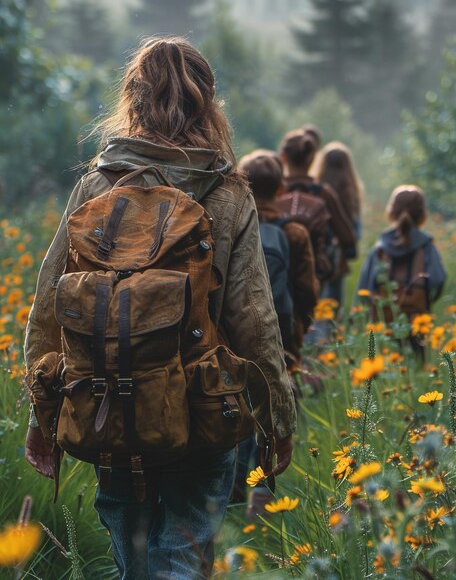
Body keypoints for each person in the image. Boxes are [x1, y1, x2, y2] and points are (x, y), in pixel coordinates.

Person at [23, 37, 296, 580]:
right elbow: (255, 322)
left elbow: (50, 309)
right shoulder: (228, 194)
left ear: (134, 98)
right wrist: (277, 421)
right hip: (202, 408)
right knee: (185, 553)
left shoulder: (95, 187)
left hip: (106, 405)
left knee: (135, 557)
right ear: (208, 101)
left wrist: (43, 416)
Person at [236, 150, 318, 513]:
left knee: (239, 402)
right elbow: (306, 292)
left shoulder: (234, 226)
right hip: (283, 336)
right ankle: (263, 490)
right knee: (275, 405)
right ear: (282, 187)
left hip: (237, 335)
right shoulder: (295, 233)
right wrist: (297, 334)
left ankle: (234, 488)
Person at [278, 129, 356, 316]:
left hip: (278, 269)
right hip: (314, 273)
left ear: (283, 157)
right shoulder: (323, 192)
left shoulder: (276, 189)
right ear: (313, 158)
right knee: (310, 321)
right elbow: (347, 237)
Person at [357, 184, 446, 328]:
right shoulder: (426, 247)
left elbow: (365, 285)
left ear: (391, 212)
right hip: (417, 322)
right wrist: (428, 301)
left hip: (383, 323)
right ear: (423, 215)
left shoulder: (380, 247)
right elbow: (437, 279)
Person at [311, 141, 363, 305]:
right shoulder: (351, 195)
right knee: (333, 303)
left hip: (315, 252)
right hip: (338, 257)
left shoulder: (316, 190)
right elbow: (356, 232)